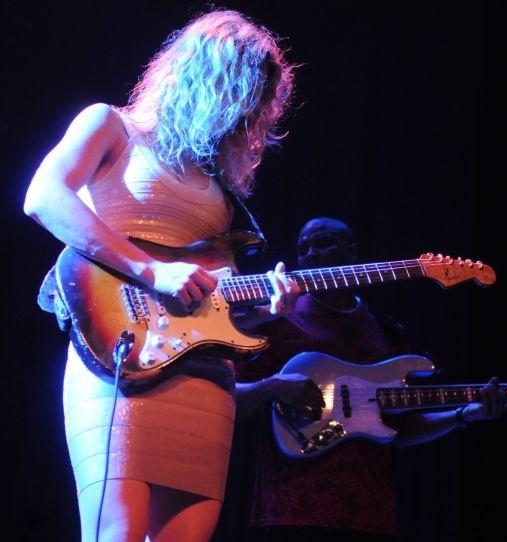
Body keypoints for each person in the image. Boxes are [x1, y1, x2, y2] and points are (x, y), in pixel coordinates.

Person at [23, 10, 300, 542]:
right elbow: (44, 196)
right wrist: (151, 270)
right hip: (119, 355)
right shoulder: (110, 125)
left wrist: (265, 307)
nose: (246, 115)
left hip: (205, 379)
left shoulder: (220, 187)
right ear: (206, 81)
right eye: (241, 96)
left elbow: (210, 299)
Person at [234, 217, 507, 542]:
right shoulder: (279, 319)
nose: (311, 254)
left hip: (369, 513)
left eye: (323, 243)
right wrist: (273, 386)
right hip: (290, 509)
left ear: (352, 252)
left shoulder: (385, 331)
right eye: (303, 248)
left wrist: (464, 414)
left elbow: (401, 427)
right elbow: (230, 396)